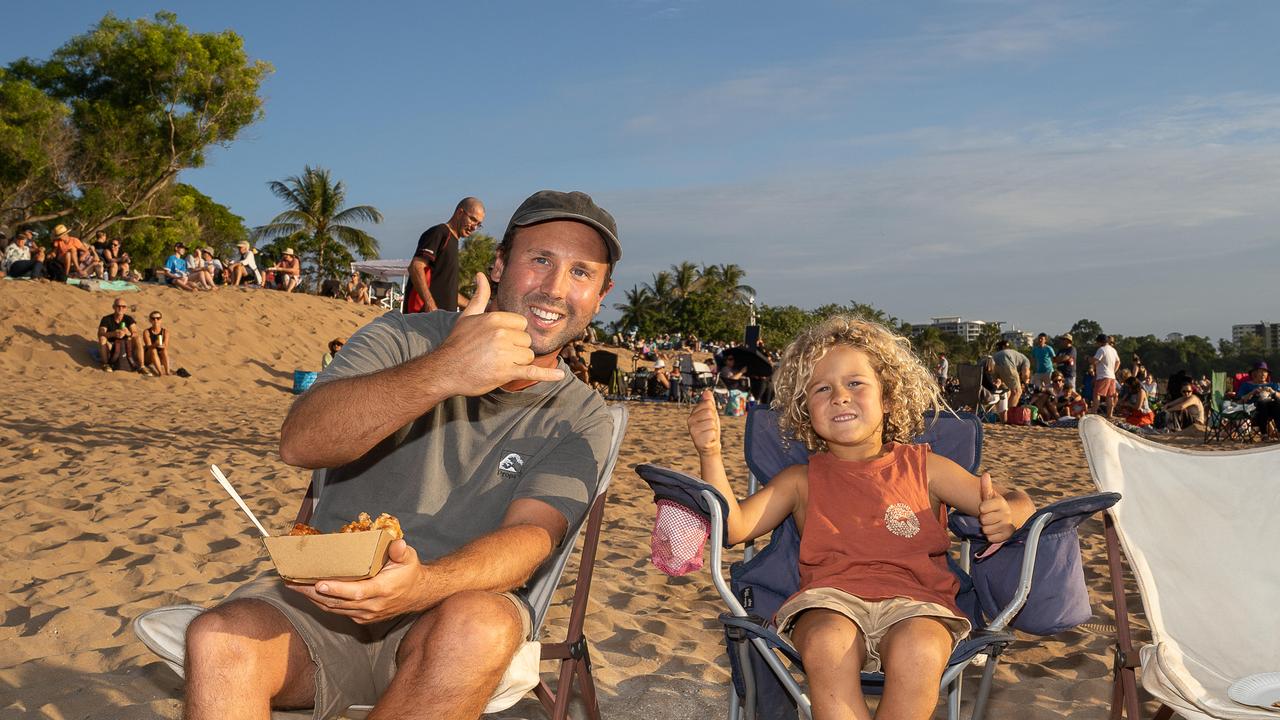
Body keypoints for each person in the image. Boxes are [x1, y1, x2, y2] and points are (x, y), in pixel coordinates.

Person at [183, 189, 622, 719]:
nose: (554, 288)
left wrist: (422, 587)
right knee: (218, 639)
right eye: (540, 260)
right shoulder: (403, 338)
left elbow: (531, 537)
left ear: (601, 295)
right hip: (325, 597)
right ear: (501, 264)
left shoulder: (581, 415)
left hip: (448, 614)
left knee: (480, 627)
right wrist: (445, 372)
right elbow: (301, 443)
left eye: (581, 273)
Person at [687, 316, 1034, 720]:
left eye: (855, 383)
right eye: (822, 389)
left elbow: (1014, 498)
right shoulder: (801, 480)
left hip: (919, 603)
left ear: (887, 398)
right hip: (830, 602)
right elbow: (735, 528)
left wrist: (1008, 512)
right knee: (825, 641)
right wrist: (710, 454)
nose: (839, 396)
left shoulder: (926, 468)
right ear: (805, 410)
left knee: (920, 648)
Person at [406, 197, 485, 313]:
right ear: (460, 213)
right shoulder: (440, 233)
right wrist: (430, 304)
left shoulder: (453, 241)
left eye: (478, 224)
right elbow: (415, 267)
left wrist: (477, 307)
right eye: (472, 219)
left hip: (442, 321)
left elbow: (449, 293)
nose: (474, 227)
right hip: (423, 318)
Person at [97, 299, 144, 372]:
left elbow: (136, 332)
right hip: (112, 345)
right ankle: (105, 364)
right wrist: (113, 333)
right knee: (102, 338)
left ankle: (142, 366)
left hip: (126, 345)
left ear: (126, 308)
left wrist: (129, 333)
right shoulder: (107, 319)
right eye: (118, 306)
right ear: (113, 307)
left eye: (123, 306)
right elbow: (100, 333)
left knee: (138, 338)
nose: (121, 308)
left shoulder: (128, 319)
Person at [1237, 361, 1280, 440]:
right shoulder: (1246, 385)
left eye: (1265, 372)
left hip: (1273, 410)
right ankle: (1264, 433)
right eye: (1260, 372)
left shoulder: (1272, 385)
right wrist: (1252, 393)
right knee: (1262, 402)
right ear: (1254, 373)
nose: (1263, 374)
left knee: (1276, 402)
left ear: (1267, 374)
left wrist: (1272, 391)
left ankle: (1276, 431)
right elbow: (1240, 401)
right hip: (1254, 411)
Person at [991, 340, 1031, 422]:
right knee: (1017, 391)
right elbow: (1026, 373)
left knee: (1003, 392)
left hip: (993, 360)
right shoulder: (1026, 360)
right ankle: (1010, 418)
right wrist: (1026, 381)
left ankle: (1002, 417)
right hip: (1006, 361)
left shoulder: (1014, 355)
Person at [1090, 334, 1121, 419]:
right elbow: (1118, 362)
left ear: (1100, 342)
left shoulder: (1101, 349)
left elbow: (1095, 361)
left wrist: (1088, 359)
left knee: (1097, 394)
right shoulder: (1113, 350)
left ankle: (1093, 413)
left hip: (1103, 375)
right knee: (1110, 396)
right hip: (1112, 376)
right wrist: (1113, 371)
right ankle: (1109, 414)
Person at [142, 311, 171, 376]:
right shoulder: (147, 332)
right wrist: (155, 344)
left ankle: (167, 372)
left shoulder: (165, 332)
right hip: (148, 356)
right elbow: (148, 346)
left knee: (164, 350)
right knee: (153, 350)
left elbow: (166, 345)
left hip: (160, 357)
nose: (155, 320)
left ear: (161, 320)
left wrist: (162, 345)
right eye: (153, 318)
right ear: (150, 320)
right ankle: (160, 373)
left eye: (158, 318)